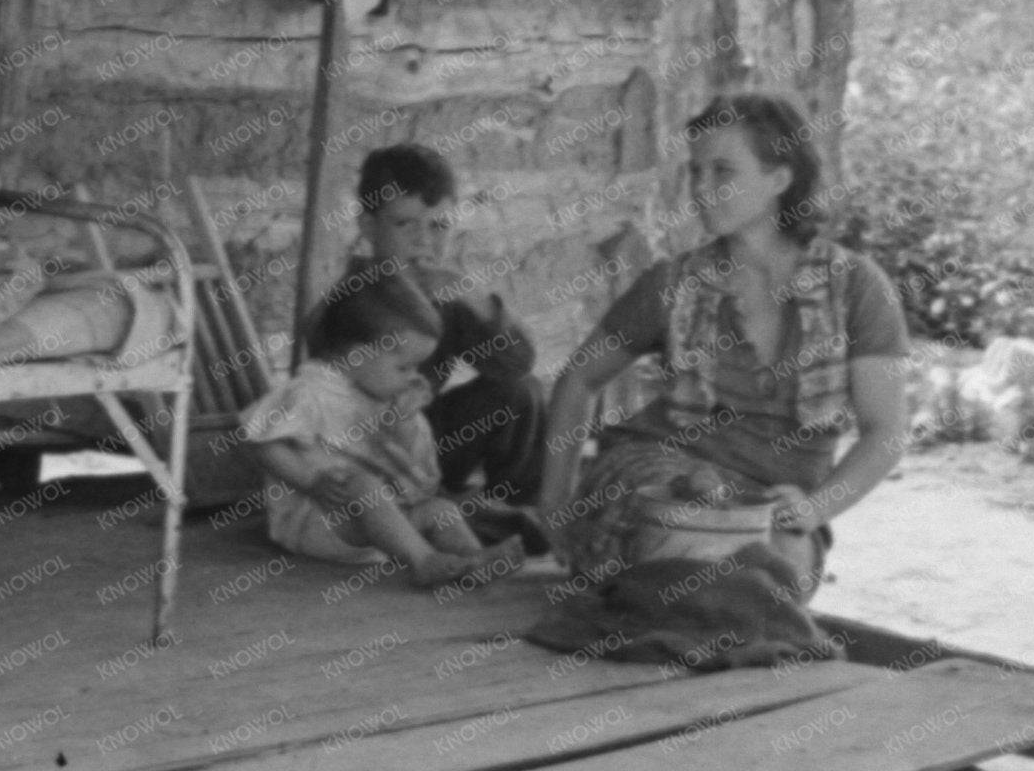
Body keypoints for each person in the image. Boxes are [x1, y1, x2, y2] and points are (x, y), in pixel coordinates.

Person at [537, 90, 912, 592]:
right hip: (655, 479)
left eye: (722, 171)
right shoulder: (673, 284)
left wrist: (814, 508)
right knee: (690, 534)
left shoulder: (856, 287)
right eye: (696, 171)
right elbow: (580, 378)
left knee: (777, 572)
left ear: (779, 179)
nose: (700, 188)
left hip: (772, 505)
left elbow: (885, 431)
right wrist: (554, 503)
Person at [239, 269, 499, 589]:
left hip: (378, 524)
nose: (412, 377)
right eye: (403, 366)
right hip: (318, 521)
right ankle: (423, 561)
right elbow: (260, 441)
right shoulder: (311, 392)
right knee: (362, 484)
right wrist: (310, 481)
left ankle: (474, 558)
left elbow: (422, 475)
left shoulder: (383, 396)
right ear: (355, 353)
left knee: (439, 509)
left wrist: (403, 425)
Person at [351, 143, 546, 510]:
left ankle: (520, 510)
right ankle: (429, 515)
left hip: (426, 440)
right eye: (404, 223)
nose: (423, 240)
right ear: (368, 227)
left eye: (438, 226)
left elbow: (518, 364)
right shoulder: (353, 298)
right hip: (365, 454)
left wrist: (476, 300)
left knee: (522, 391)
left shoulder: (445, 298)